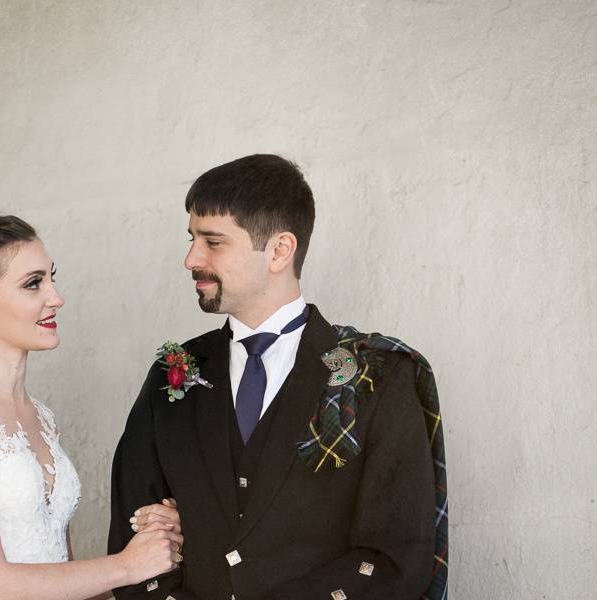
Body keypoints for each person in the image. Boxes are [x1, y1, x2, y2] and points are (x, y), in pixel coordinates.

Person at [109, 155, 448, 600]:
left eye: (213, 241)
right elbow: (132, 539)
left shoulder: (379, 376)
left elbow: (395, 559)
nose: (191, 258)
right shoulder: (172, 374)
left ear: (279, 250)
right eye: (192, 239)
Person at [0, 215, 185, 599]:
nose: (56, 298)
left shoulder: (40, 415)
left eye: (51, 278)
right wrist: (128, 565)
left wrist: (159, 539)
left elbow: (62, 576)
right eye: (33, 283)